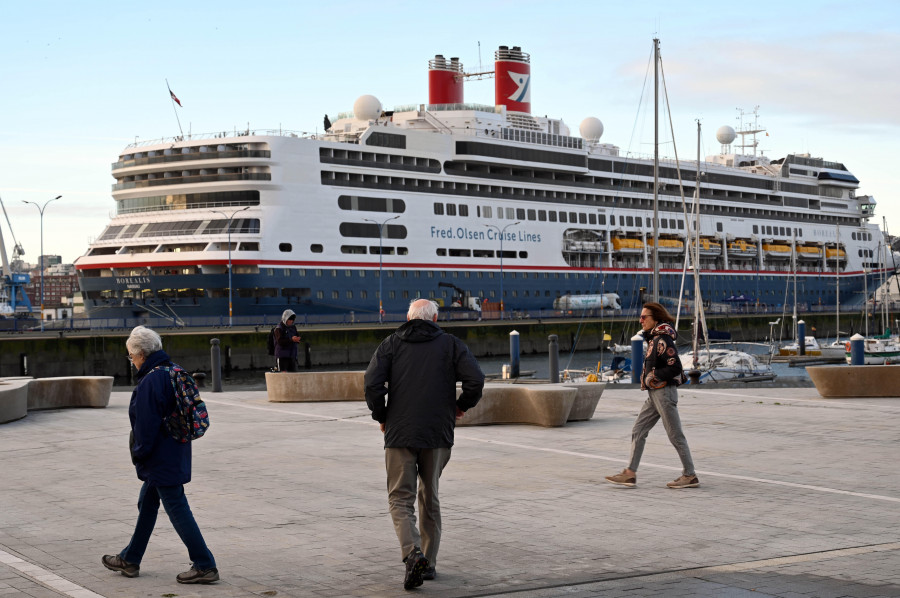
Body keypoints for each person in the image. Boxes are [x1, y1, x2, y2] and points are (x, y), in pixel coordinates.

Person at [365, 299, 484, 590]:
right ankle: (427, 563)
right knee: (429, 495)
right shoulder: (451, 344)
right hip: (437, 433)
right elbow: (476, 380)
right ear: (435, 318)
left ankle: (412, 552)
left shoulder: (391, 343)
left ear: (408, 317)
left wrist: (382, 416)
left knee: (400, 498)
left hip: (400, 433)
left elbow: (371, 383)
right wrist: (460, 406)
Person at [102, 326, 219, 584]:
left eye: (131, 357)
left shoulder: (151, 381)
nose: (131, 362)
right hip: (176, 449)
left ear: (141, 354)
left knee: (176, 506)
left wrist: (139, 454)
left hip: (160, 455)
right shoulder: (173, 370)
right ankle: (130, 559)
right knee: (148, 504)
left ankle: (204, 564)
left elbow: (146, 426)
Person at [605, 302, 699, 489]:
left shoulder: (662, 339)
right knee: (638, 430)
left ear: (655, 319)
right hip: (654, 394)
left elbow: (675, 367)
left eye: (644, 317)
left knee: (675, 435)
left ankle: (690, 475)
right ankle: (630, 473)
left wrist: (654, 376)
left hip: (664, 393)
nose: (640, 320)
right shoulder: (654, 339)